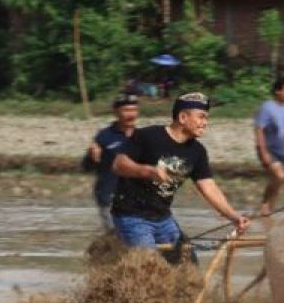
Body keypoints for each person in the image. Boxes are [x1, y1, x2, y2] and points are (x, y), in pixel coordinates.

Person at [111, 92, 250, 253]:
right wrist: (147, 171)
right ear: (183, 118)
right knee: (148, 266)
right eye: (201, 117)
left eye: (206, 118)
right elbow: (118, 164)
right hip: (132, 216)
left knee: (187, 263)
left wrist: (234, 217)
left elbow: (208, 187)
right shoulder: (148, 136)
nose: (205, 123)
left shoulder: (197, 151)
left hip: (163, 218)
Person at [85, 92, 139, 231]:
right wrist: (91, 154)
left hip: (137, 197)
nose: (131, 114)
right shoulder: (104, 136)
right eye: (126, 110)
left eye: (134, 110)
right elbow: (86, 167)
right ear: (116, 112)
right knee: (116, 236)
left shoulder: (143, 136)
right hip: (109, 195)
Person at [255, 79, 284, 217]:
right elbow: (259, 130)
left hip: (280, 150)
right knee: (280, 176)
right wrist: (263, 152)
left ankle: (268, 210)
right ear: (278, 91)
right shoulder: (267, 107)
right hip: (268, 149)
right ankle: (265, 204)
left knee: (278, 180)